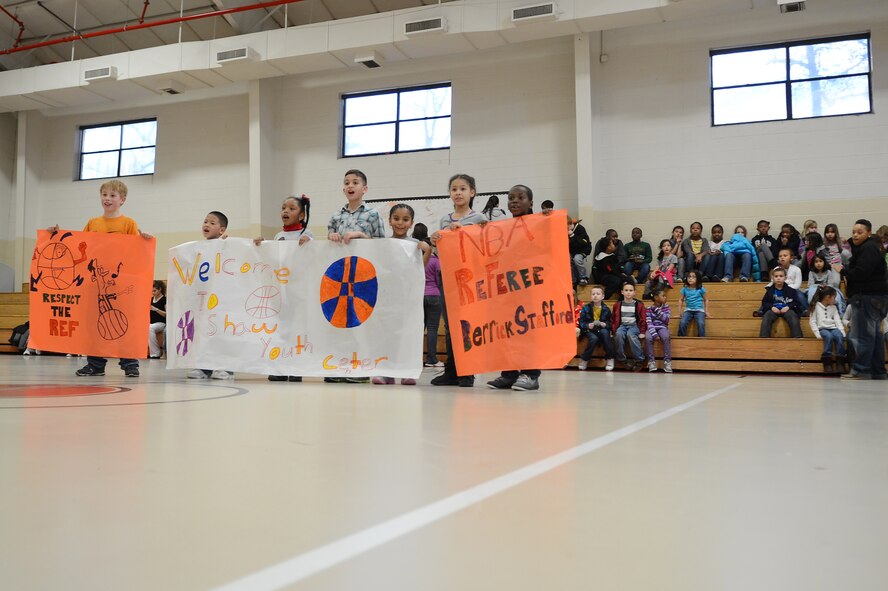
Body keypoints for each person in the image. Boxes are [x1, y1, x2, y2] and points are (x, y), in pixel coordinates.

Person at [55, 179, 152, 378]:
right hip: (95, 282)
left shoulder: (128, 223)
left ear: (122, 200)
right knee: (95, 324)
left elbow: (135, 251)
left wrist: (145, 240)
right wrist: (55, 235)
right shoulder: (93, 223)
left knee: (123, 322)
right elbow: (80, 245)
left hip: (119, 283)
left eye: (112, 195)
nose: (107, 199)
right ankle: (96, 365)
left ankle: (130, 364)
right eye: (104, 195)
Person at [430, 173, 486, 388]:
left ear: (472, 192)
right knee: (451, 324)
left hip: (470, 278)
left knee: (467, 324)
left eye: (463, 188)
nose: (458, 193)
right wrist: (437, 239)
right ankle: (451, 370)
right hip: (448, 277)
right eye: (454, 189)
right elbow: (443, 251)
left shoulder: (479, 219)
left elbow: (483, 248)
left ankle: (467, 371)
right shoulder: (445, 220)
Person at [486, 184, 544, 392]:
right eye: (511, 198)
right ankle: (509, 375)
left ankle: (531, 374)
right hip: (508, 289)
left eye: (520, 197)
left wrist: (548, 219)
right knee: (508, 332)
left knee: (528, 332)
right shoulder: (503, 228)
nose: (515, 201)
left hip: (531, 288)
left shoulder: (540, 224)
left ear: (531, 203)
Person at [371, 204, 430, 386]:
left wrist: (427, 250)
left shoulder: (414, 245)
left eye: (405, 219)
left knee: (406, 335)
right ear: (389, 221)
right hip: (387, 299)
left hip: (407, 300)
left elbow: (422, 268)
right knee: (385, 335)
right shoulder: (383, 244)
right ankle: (385, 371)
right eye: (396, 218)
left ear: (411, 223)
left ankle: (406, 371)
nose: (400, 223)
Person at [255, 196, 313, 381]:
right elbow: (273, 260)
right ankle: (280, 367)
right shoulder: (278, 237)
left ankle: (296, 367)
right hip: (281, 292)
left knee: (297, 330)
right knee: (281, 330)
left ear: (302, 214)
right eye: (283, 208)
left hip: (299, 292)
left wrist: (308, 242)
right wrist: (262, 246)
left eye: (291, 208)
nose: (285, 211)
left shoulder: (307, 235)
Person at [834, 219, 888, 380]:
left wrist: (843, 270)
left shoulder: (868, 249)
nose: (855, 235)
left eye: (860, 232)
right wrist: (849, 241)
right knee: (875, 336)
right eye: (853, 232)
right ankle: (878, 371)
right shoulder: (869, 247)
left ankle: (860, 369)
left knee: (864, 335)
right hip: (875, 296)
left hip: (868, 296)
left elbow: (861, 272)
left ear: (869, 233)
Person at [188, 211, 236, 380]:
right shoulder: (198, 249)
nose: (206, 225)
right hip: (204, 300)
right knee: (203, 332)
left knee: (221, 332)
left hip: (222, 300)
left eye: (212, 223)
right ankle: (204, 366)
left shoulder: (227, 245)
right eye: (205, 221)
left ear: (222, 230)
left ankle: (225, 367)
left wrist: (227, 244)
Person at [414, 223, 443, 369]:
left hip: (419, 296)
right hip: (434, 296)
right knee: (432, 329)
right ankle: (432, 359)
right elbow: (439, 280)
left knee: (419, 330)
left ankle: (415, 358)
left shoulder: (415, 260)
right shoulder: (436, 261)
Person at [328, 169, 385, 243]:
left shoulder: (373, 214)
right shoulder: (336, 216)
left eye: (355, 183)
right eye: (347, 183)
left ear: (364, 189)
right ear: (344, 190)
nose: (350, 186)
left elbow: (381, 244)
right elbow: (329, 241)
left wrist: (361, 235)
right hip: (342, 254)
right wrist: (331, 235)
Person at [755, 267, 803, 338]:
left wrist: (788, 307)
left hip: (787, 309)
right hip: (774, 310)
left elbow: (796, 302)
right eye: (776, 276)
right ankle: (763, 337)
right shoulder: (769, 291)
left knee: (793, 316)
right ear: (772, 278)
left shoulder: (791, 290)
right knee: (767, 316)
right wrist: (772, 307)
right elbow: (764, 302)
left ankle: (798, 337)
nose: (778, 278)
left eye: (781, 276)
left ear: (785, 278)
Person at [808, 286, 846, 375]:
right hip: (822, 329)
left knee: (838, 336)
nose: (835, 299)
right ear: (827, 297)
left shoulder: (834, 307)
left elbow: (837, 320)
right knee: (828, 337)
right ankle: (827, 362)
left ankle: (840, 361)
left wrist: (842, 331)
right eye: (834, 297)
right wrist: (817, 334)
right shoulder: (815, 307)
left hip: (833, 328)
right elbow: (812, 322)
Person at [576, 286, 614, 371]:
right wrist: (587, 325)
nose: (595, 296)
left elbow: (610, 323)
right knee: (593, 338)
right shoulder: (586, 308)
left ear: (603, 296)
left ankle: (610, 358)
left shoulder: (606, 309)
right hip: (590, 330)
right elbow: (581, 322)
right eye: (593, 294)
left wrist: (605, 324)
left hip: (601, 329)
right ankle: (585, 359)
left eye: (598, 294)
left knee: (605, 333)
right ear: (590, 296)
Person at [612, 282, 646, 371]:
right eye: (626, 290)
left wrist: (642, 332)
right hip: (622, 326)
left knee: (630, 335)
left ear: (634, 292)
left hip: (634, 326)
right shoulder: (617, 305)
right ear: (622, 292)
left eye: (630, 290)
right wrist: (613, 331)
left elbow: (643, 319)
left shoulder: (639, 305)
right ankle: (622, 359)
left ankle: (639, 360)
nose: (628, 292)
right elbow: (614, 319)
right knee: (618, 335)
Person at [645, 287, 672, 373]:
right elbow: (649, 322)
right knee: (648, 338)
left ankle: (667, 361)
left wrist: (656, 310)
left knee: (666, 337)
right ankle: (651, 361)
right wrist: (654, 334)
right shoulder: (648, 308)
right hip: (652, 327)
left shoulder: (666, 307)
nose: (665, 297)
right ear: (656, 297)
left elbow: (666, 320)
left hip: (662, 327)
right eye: (663, 296)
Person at [677, 270, 709, 337]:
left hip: (699, 310)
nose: (690, 278)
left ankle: (701, 340)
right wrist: (679, 312)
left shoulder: (701, 289)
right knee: (682, 323)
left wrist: (706, 311)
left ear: (698, 279)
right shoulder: (684, 289)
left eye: (693, 277)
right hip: (688, 310)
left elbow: (706, 299)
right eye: (689, 277)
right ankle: (681, 339)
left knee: (701, 323)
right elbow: (681, 300)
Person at [568, 217, 592, 286]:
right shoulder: (566, 231)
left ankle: (583, 277)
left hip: (583, 249)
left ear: (570, 224)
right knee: (569, 260)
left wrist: (572, 235)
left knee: (577, 259)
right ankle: (573, 280)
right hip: (573, 251)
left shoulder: (580, 228)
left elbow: (584, 242)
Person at [148, 280, 166, 359]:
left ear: (160, 289)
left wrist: (156, 309)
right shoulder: (151, 299)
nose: (153, 293)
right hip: (151, 323)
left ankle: (156, 353)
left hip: (161, 323)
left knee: (150, 328)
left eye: (154, 291)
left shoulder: (164, 299)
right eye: (152, 291)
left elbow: (167, 315)